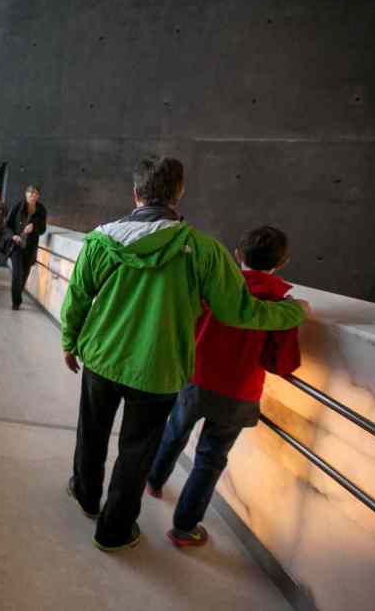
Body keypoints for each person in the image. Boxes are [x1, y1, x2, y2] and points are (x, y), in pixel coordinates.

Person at [60, 156, 309, 552]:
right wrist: (293, 310)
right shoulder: (204, 251)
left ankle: (87, 496)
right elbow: (238, 311)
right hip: (159, 371)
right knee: (137, 452)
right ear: (179, 195)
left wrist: (70, 341)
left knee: (92, 433)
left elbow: (77, 298)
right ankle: (114, 531)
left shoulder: (99, 241)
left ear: (136, 194)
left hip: (102, 359)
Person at [147, 225, 302, 548]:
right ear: (283, 262)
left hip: (195, 377)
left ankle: (153, 481)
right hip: (238, 393)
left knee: (174, 431)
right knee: (210, 459)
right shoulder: (281, 305)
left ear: (237, 255)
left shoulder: (214, 286)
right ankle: (184, 529)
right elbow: (281, 364)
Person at [5, 185, 47, 309]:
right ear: (26, 194)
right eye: (31, 193)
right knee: (17, 273)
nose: (33, 195)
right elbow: (7, 225)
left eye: (36, 193)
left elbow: (43, 229)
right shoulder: (17, 207)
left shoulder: (41, 210)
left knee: (25, 273)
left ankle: (18, 292)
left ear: (38, 196)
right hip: (16, 245)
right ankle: (16, 301)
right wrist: (13, 236)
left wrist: (34, 227)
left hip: (30, 246)